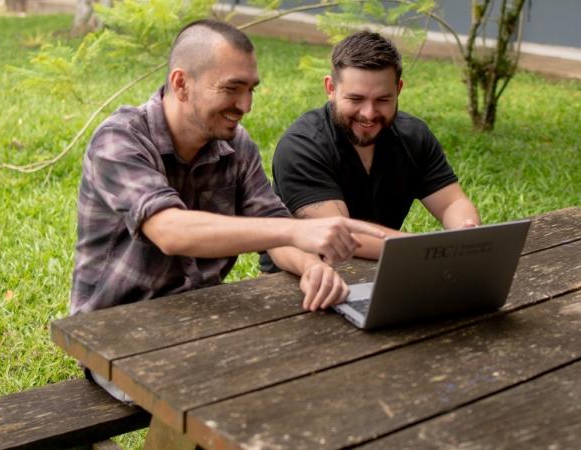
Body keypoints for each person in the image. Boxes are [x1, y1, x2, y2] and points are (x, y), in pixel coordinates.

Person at [69, 19, 384, 402]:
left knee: (334, 358)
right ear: (182, 83)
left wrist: (312, 267)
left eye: (251, 89)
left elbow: (270, 222)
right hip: (114, 336)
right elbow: (171, 231)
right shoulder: (119, 138)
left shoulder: (236, 146)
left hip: (202, 319)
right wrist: (293, 232)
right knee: (264, 390)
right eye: (232, 89)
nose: (246, 106)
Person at [260, 31, 479, 272]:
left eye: (383, 100)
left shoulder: (414, 136)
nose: (369, 113)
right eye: (356, 99)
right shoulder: (301, 146)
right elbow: (340, 234)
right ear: (330, 88)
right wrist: (429, 250)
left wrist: (465, 235)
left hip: (387, 265)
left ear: (399, 90)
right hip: (302, 277)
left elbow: (451, 203)